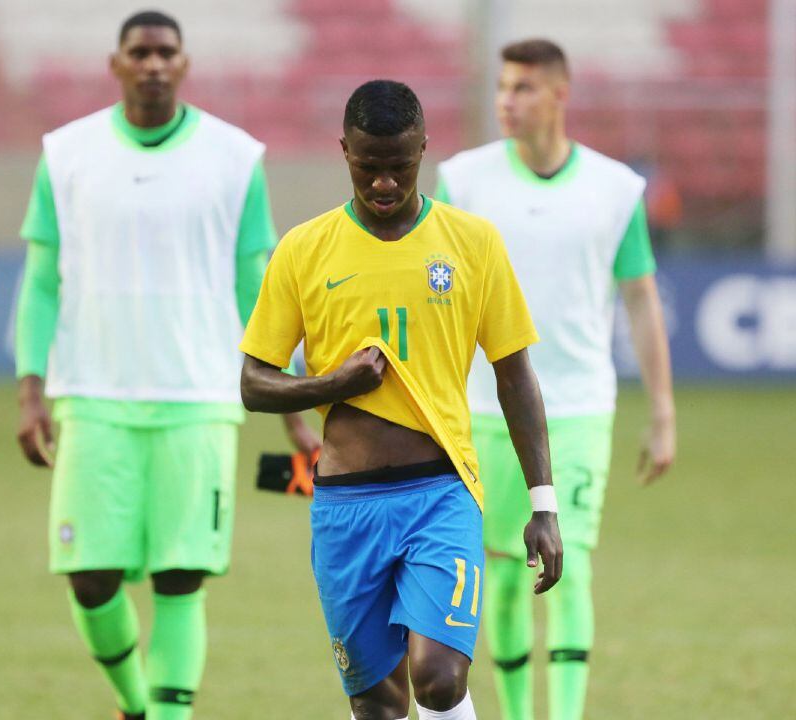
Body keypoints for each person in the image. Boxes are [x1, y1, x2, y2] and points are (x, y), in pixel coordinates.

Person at [14, 10, 319, 720]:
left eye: (165, 53)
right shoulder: (66, 154)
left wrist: (293, 409)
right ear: (116, 63)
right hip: (93, 396)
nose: (153, 64)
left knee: (181, 578)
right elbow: (41, 281)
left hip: (199, 398)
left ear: (184, 65)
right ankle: (134, 703)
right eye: (140, 52)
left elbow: (255, 288)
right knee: (90, 578)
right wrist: (31, 390)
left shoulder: (234, 157)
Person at [239, 79, 562, 720]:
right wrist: (333, 385)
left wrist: (543, 503)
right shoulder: (303, 249)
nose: (384, 183)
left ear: (423, 149)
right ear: (344, 151)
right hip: (345, 507)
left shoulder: (473, 243)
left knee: (439, 679)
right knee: (378, 707)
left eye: (400, 166)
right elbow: (253, 382)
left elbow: (516, 377)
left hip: (440, 496)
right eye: (368, 166)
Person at [436, 39, 676, 720]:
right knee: (506, 572)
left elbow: (640, 299)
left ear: (560, 95)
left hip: (577, 409)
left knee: (572, 567)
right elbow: (439, 296)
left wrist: (662, 413)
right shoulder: (463, 181)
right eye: (502, 87)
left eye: (523, 88)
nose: (506, 100)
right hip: (487, 410)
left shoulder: (615, 190)